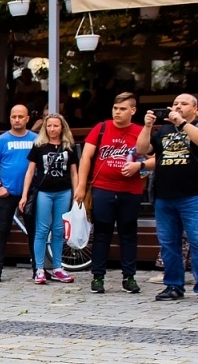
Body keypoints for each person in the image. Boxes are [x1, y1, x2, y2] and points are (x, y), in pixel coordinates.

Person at [77, 93, 146, 294]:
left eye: (122, 109)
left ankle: (129, 277)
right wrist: (81, 185)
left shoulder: (139, 131)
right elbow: (86, 157)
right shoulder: (101, 128)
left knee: (128, 233)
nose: (117, 112)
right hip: (103, 188)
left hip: (130, 190)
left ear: (133, 110)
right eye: (115, 108)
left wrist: (139, 166)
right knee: (101, 233)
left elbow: (153, 158)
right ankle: (98, 277)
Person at [138, 94, 198, 300]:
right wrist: (147, 127)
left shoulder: (193, 127)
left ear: (195, 109)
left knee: (197, 240)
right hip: (164, 196)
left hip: (192, 195)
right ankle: (173, 285)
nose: (178, 106)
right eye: (175, 103)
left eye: (184, 103)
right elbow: (142, 149)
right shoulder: (164, 130)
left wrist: (181, 123)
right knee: (169, 243)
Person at [23, 112, 81, 285]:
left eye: (55, 126)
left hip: (64, 191)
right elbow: (30, 171)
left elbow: (74, 172)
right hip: (44, 192)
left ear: (62, 127)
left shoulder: (68, 146)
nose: (52, 129)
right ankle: (39, 268)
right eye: (49, 126)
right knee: (41, 229)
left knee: (58, 230)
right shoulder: (39, 146)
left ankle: (57, 267)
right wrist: (25, 194)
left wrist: (77, 192)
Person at [0, 105, 36, 283]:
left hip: (30, 193)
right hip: (7, 193)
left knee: (34, 231)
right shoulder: (2, 139)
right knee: (2, 230)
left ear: (27, 118)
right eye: (14, 116)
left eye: (20, 116)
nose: (17, 120)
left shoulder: (36, 139)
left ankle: (38, 269)